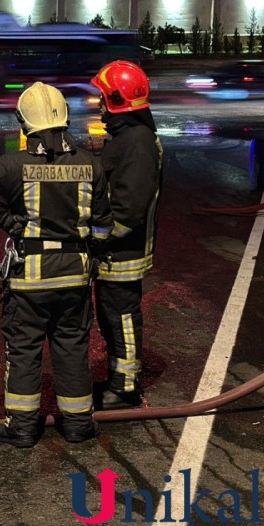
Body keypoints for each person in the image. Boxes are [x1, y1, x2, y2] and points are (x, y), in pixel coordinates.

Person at [0, 82, 112, 447]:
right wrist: (90, 248)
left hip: (28, 280)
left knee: (24, 350)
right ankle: (78, 424)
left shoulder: (13, 165)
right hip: (74, 278)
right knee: (72, 348)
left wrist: (7, 220)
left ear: (23, 121)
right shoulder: (90, 164)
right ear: (65, 117)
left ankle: (22, 428)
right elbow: (103, 226)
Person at [89, 60, 162, 410]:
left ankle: (126, 388)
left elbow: (129, 209)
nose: (99, 105)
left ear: (117, 100)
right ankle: (119, 378)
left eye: (103, 98)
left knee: (122, 318)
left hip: (122, 252)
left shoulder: (137, 143)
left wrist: (98, 237)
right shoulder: (130, 138)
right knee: (111, 317)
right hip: (115, 251)